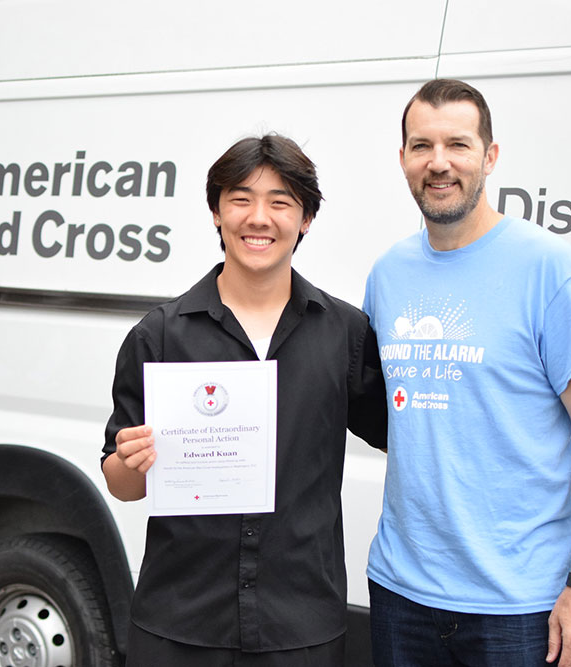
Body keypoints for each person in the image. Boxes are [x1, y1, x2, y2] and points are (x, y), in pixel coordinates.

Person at [364, 79, 571, 667]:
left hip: (520, 608)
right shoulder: (388, 273)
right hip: (401, 591)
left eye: (457, 144)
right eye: (420, 146)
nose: (438, 163)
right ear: (402, 158)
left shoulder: (548, 267)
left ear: (490, 155)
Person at [102, 133, 387, 667]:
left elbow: (407, 436)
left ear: (305, 220)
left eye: (280, 202)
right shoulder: (159, 336)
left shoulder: (345, 333)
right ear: (215, 212)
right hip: (179, 625)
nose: (260, 218)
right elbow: (122, 485)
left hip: (300, 626)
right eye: (241, 199)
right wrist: (129, 460)